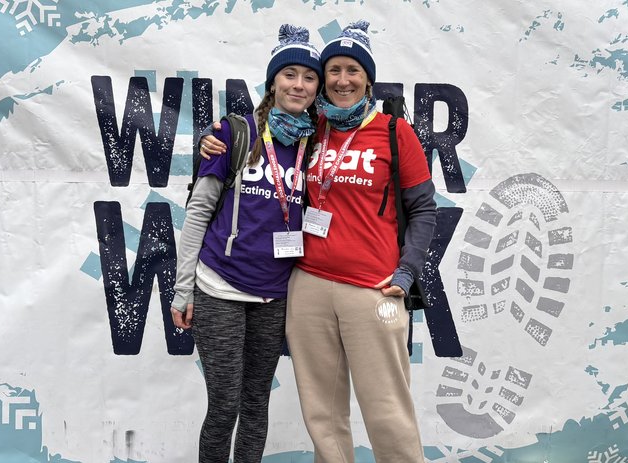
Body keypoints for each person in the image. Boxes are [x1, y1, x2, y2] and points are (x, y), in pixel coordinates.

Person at [202, 19, 437, 463]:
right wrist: (209, 142)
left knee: (388, 413)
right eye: (334, 71)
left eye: (353, 70)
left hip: (376, 289)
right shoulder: (312, 130)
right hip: (308, 286)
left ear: (368, 78)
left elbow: (424, 210)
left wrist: (406, 273)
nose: (342, 80)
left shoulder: (394, 131)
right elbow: (252, 137)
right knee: (323, 418)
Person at [171, 24, 321, 463]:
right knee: (224, 406)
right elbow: (198, 211)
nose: (298, 84)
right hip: (219, 286)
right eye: (289, 74)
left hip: (274, 294)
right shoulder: (234, 133)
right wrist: (183, 289)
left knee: (257, 403)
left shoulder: (315, 146)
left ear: (317, 87)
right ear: (273, 81)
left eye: (309, 77)